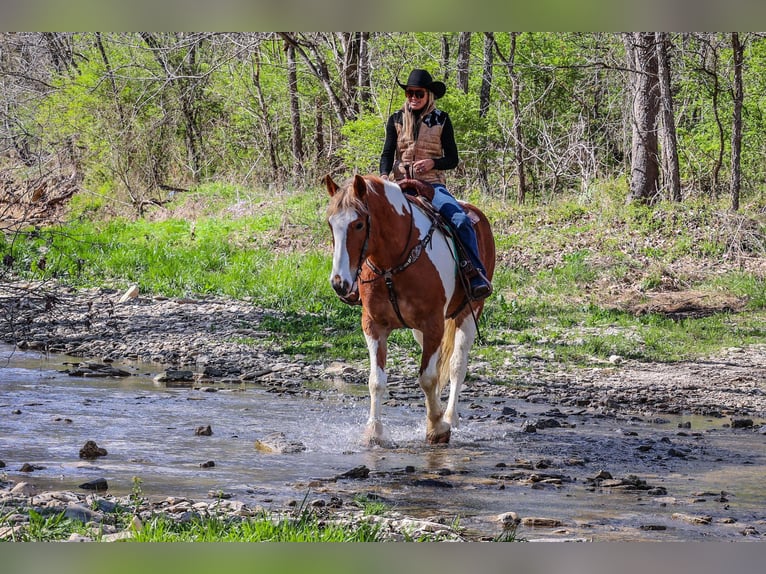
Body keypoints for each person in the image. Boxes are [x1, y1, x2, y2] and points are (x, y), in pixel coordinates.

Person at [379, 68, 492, 300]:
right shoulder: (396, 119)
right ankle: (364, 281)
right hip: (399, 183)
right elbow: (387, 154)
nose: (413, 97)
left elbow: (453, 159)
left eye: (418, 93)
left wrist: (432, 163)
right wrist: (383, 176)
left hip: (431, 185)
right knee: (366, 220)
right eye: (410, 93)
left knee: (460, 220)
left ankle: (474, 272)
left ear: (429, 95)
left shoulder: (442, 119)